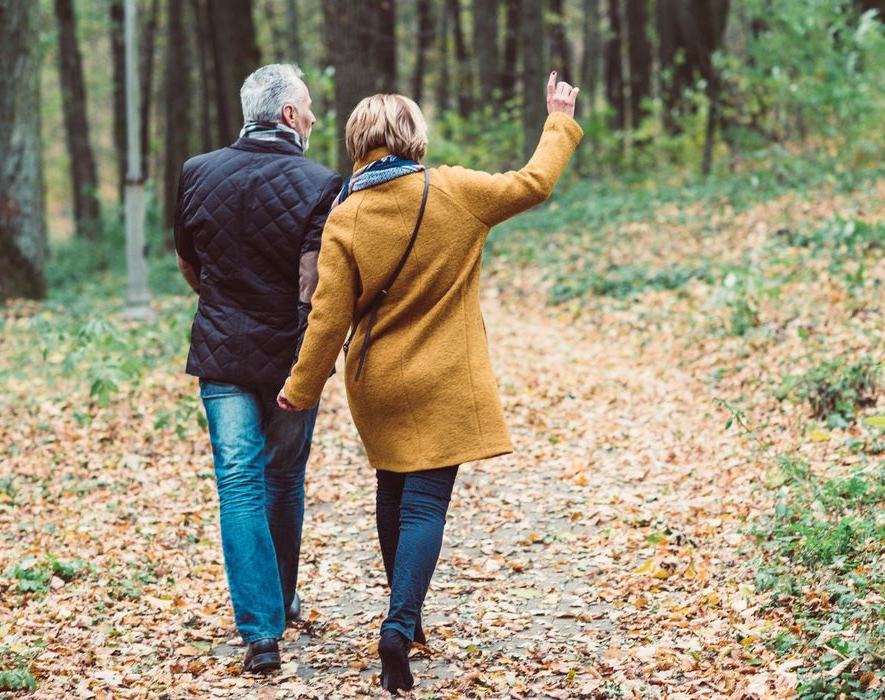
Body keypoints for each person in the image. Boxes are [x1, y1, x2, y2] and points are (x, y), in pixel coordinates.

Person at [276, 71, 582, 692]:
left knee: (393, 489)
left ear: (359, 140)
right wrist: (557, 119)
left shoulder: (347, 215)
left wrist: (301, 388)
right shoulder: (454, 191)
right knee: (425, 504)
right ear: (412, 134)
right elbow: (534, 183)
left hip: (377, 384)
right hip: (443, 379)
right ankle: (401, 623)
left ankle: (404, 621)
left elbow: (329, 316)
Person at [173, 64, 342, 674]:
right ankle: (283, 599)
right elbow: (313, 283)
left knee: (237, 481)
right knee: (282, 476)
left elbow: (188, 262)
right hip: (291, 356)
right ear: (290, 117)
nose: (317, 118)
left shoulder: (197, 171)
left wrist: (222, 300)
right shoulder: (323, 182)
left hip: (221, 350)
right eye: (310, 107)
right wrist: (311, 362)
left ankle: (260, 632)